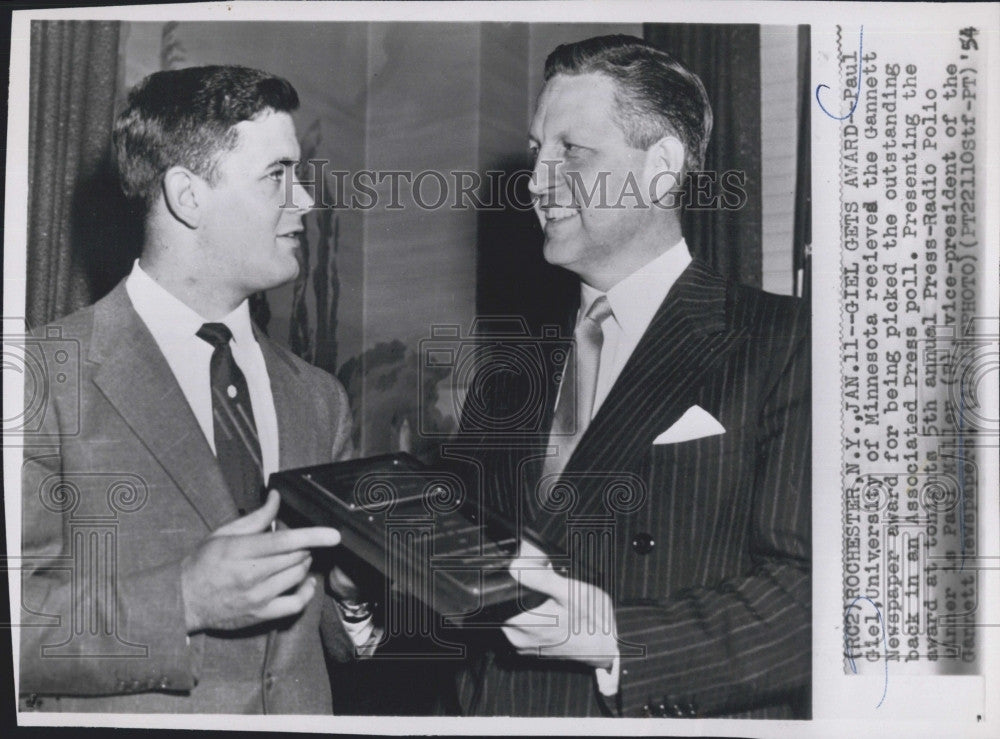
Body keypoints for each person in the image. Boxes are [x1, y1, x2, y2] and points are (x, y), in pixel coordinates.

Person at [453, 35, 811, 718]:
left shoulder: (788, 342)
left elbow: (814, 600)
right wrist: (370, 601)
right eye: (536, 151)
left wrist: (614, 635)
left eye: (572, 151)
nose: (536, 180)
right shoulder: (508, 374)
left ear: (662, 167)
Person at [18, 65, 372, 713]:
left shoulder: (320, 399)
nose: (305, 201)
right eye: (277, 176)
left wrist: (356, 591)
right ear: (188, 195)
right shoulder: (41, 375)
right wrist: (181, 600)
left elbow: (334, 644)